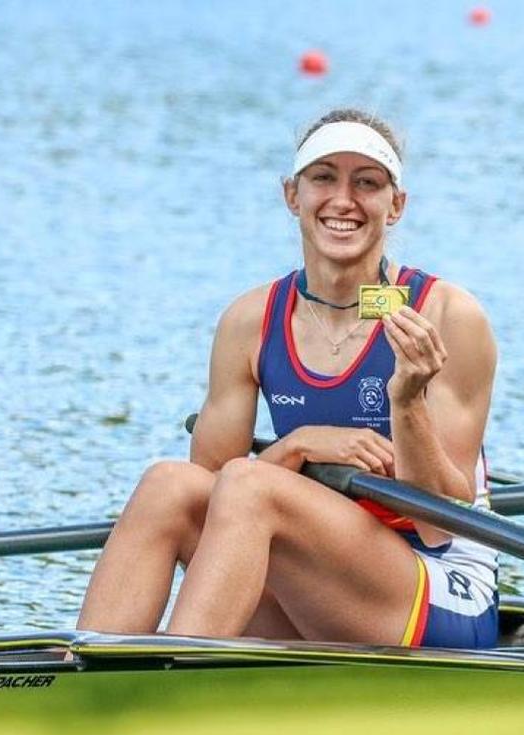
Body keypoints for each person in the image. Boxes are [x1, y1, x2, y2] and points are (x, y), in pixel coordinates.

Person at [77, 108, 500, 648]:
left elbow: (443, 523)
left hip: (436, 584)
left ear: (395, 206)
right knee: (169, 484)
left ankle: (173, 682)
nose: (342, 200)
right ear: (291, 195)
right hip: (320, 577)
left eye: (366, 183)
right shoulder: (249, 320)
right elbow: (210, 488)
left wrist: (408, 398)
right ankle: (81, 671)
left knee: (254, 486)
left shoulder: (448, 314)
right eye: (324, 177)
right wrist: (296, 446)